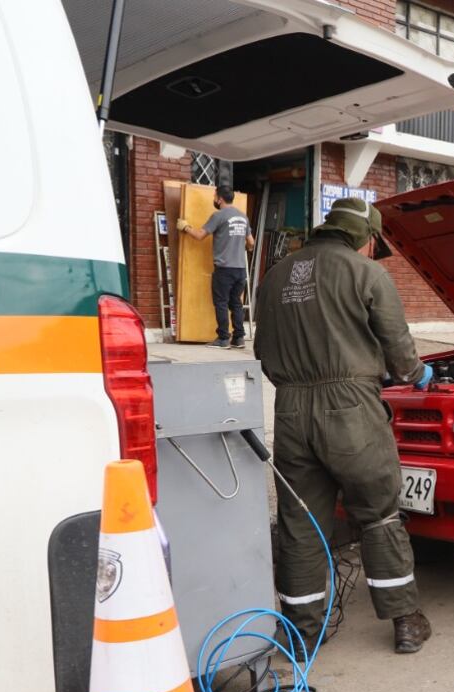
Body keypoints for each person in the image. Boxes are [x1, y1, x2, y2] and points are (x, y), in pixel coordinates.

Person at [254, 197, 436, 654]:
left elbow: (262, 353)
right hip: (351, 410)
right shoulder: (368, 273)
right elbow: (398, 347)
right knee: (378, 513)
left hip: (291, 410)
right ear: (366, 238)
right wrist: (417, 375)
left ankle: (300, 635)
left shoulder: (275, 276)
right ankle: (406, 621)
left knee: (300, 522)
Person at [178, 186, 255, 348]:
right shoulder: (243, 217)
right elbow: (251, 243)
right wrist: (239, 247)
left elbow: (199, 236)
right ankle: (239, 338)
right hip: (240, 269)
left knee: (221, 302)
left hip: (224, 269)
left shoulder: (218, 216)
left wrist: (185, 227)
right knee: (236, 303)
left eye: (214, 196)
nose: (214, 199)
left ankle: (223, 338)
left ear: (220, 199)